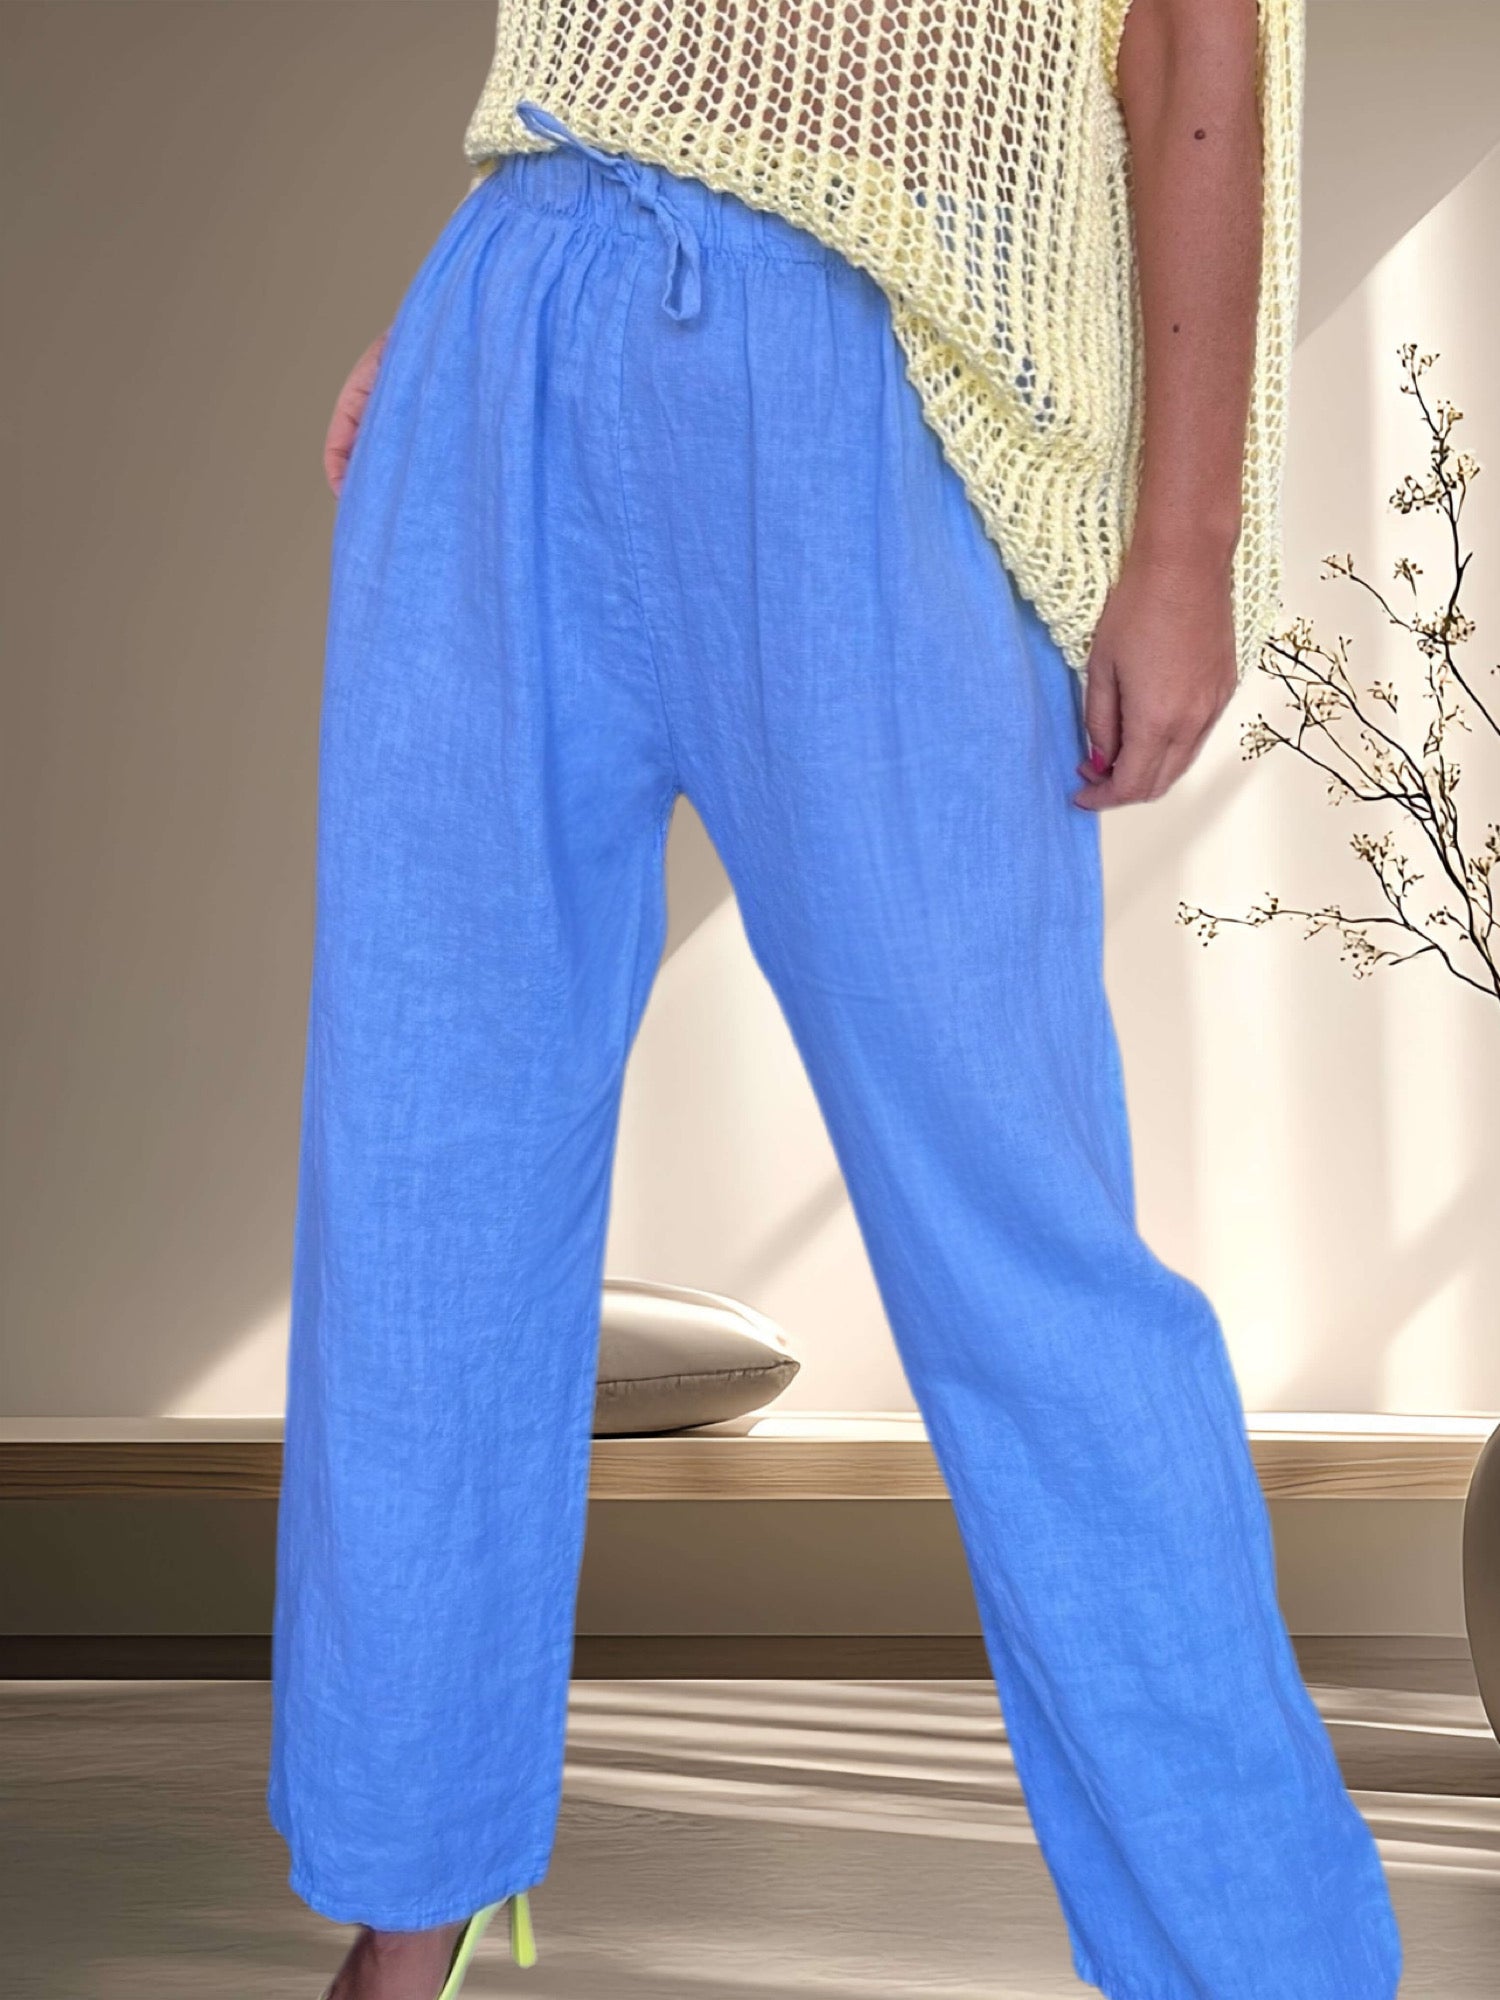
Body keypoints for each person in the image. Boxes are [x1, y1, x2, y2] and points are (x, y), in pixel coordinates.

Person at [268, 3, 1405, 1997]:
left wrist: (1186, 540)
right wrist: (475, 297)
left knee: (1023, 1252)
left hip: (877, 369)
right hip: (515, 315)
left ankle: (1264, 1965)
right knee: (424, 1183)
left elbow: (1196, 36)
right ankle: (407, 1901)